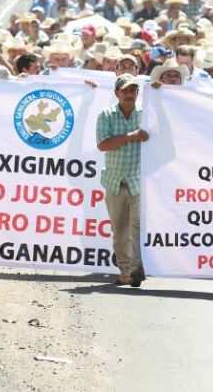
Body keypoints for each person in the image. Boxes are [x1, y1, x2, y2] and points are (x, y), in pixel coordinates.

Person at [96, 74, 149, 287]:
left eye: (132, 90)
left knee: (137, 228)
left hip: (139, 181)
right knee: (120, 230)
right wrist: (132, 136)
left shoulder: (147, 114)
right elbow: (103, 144)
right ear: (116, 93)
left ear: (137, 93)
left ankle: (136, 269)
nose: (129, 94)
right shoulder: (106, 115)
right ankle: (125, 271)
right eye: (125, 91)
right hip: (115, 181)